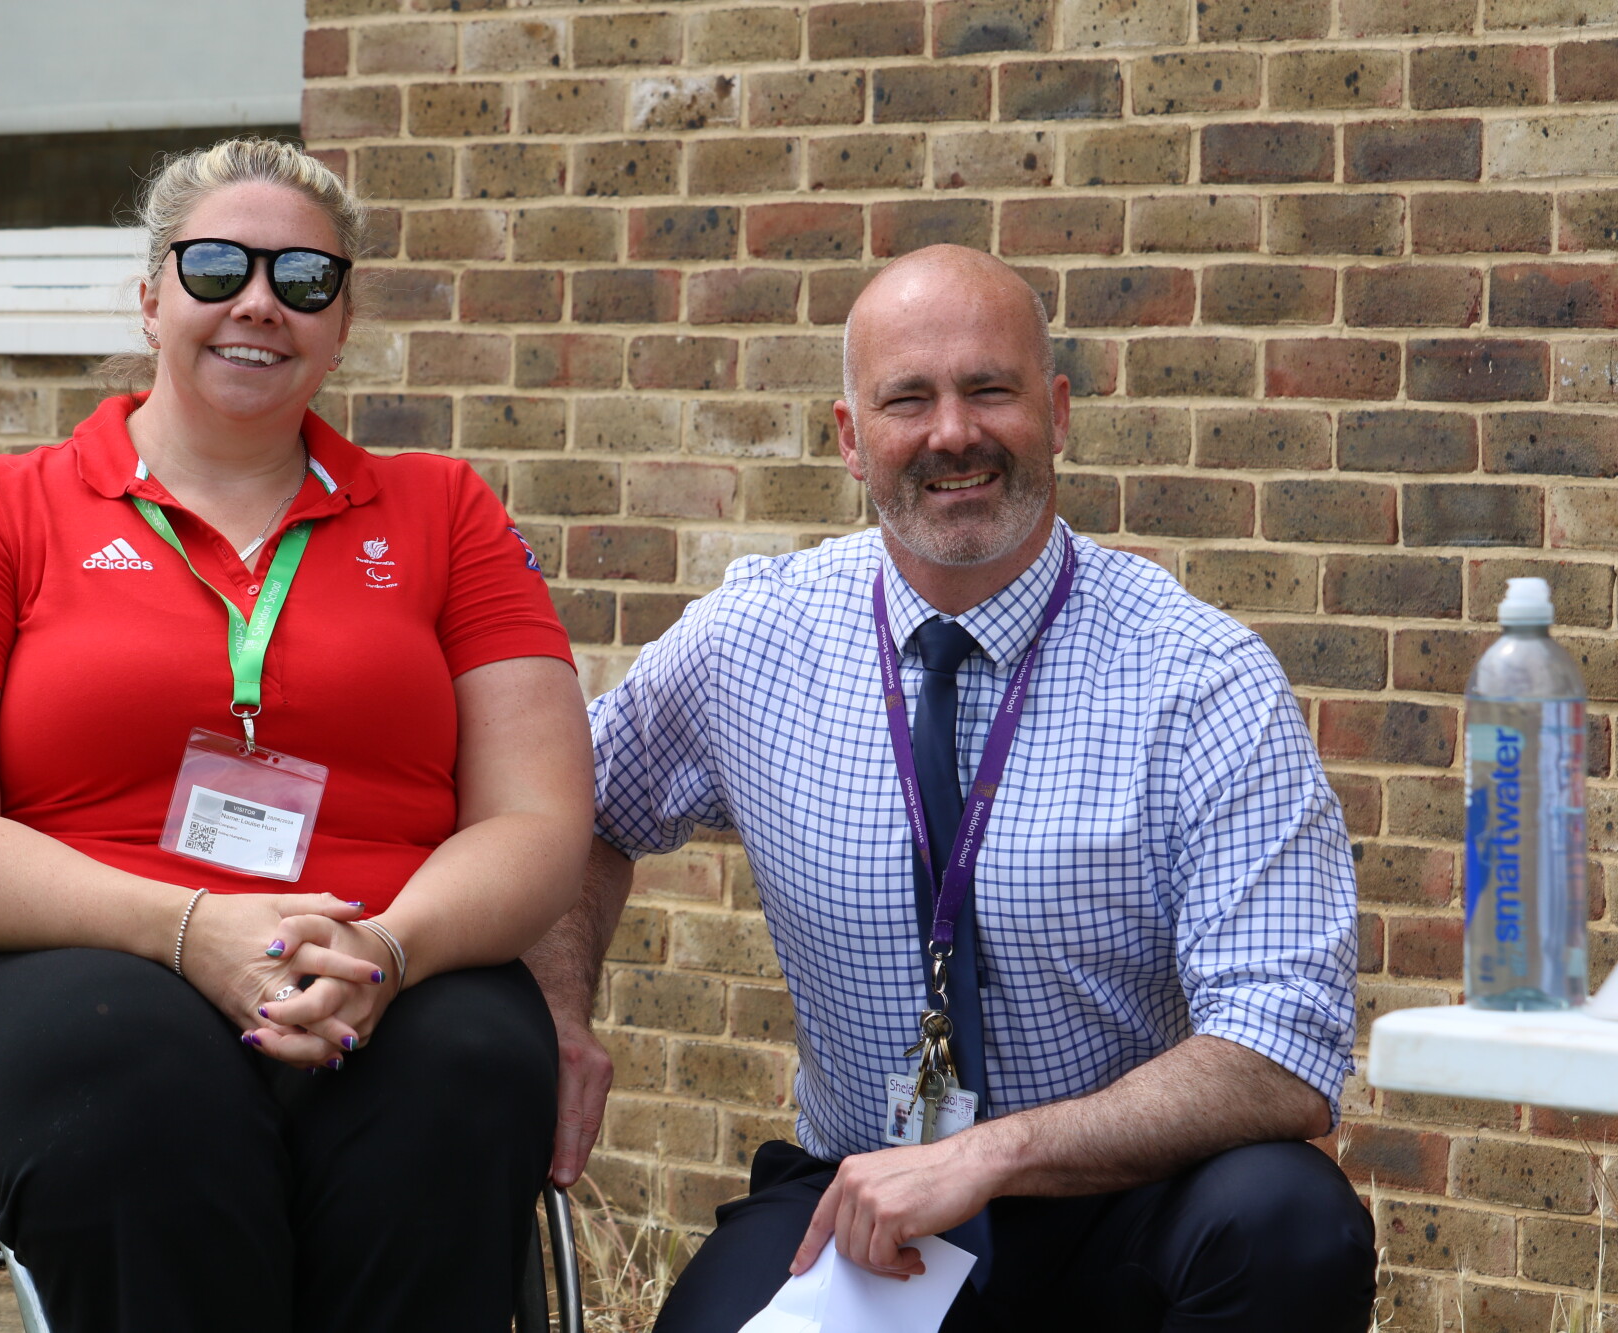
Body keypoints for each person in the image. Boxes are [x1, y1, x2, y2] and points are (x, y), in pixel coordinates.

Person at [526, 244, 1375, 1332]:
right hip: (862, 1198)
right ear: (849, 438)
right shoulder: (753, 640)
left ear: (1056, 413)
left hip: (1123, 1202)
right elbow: (575, 807)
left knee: (1291, 1221)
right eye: (907, 400)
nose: (952, 433)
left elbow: (1280, 1050)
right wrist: (559, 1009)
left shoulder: (1199, 677)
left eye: (988, 389)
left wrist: (991, 1153)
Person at [0, 138, 593, 1333]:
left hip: (385, 951)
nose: (258, 303)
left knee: (465, 1077)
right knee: (131, 1078)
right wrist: (184, 928)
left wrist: (387, 950)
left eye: (304, 279)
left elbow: (539, 819)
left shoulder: (447, 513)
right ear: (150, 298)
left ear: (341, 323)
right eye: (217, 267)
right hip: (64, 952)